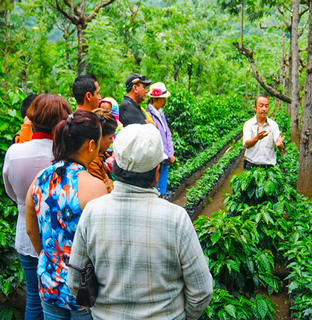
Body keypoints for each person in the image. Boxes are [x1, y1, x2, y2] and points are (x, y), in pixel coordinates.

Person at [67, 124, 213, 319]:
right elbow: (201, 291)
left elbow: (76, 282)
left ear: (115, 167)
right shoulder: (176, 219)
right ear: (156, 173)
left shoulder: (93, 212)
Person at [25, 109, 107, 319]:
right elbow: (102, 244)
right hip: (82, 290)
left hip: (49, 282)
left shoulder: (40, 178)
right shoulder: (94, 186)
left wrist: (52, 258)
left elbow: (31, 230)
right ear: (90, 145)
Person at [3, 94, 71, 319]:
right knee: (63, 302)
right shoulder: (65, 153)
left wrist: (25, 205)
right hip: (62, 240)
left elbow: (10, 191)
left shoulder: (15, 152)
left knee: (33, 299)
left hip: (25, 233)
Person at [145, 82, 175, 197]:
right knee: (155, 190)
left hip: (165, 160)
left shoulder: (161, 114)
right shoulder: (148, 115)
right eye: (163, 99)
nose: (165, 101)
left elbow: (167, 135)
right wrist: (168, 156)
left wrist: (170, 153)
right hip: (158, 159)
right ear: (156, 99)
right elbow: (156, 139)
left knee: (162, 190)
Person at [243, 95, 285, 170]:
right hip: (251, 167)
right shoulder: (248, 125)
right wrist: (257, 138)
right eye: (261, 106)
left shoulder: (273, 125)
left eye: (266, 106)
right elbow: (246, 144)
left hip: (269, 168)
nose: (264, 109)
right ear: (254, 108)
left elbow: (279, 145)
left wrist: (279, 145)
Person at [88, 109, 118, 193]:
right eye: (110, 138)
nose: (111, 141)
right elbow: (103, 191)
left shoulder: (98, 156)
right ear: (99, 137)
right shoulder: (92, 162)